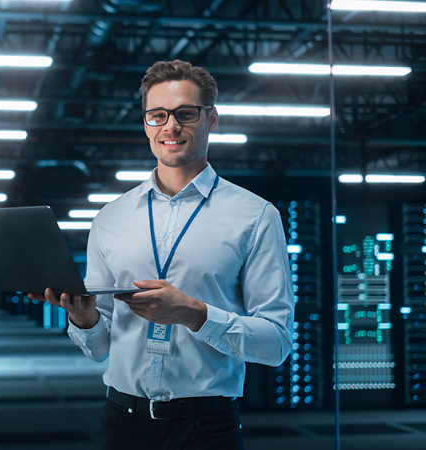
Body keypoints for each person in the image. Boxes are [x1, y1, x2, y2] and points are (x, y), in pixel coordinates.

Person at [28, 60, 295, 450]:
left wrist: (194, 314)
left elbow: (276, 343)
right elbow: (99, 347)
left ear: (212, 119)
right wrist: (84, 318)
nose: (170, 127)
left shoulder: (255, 216)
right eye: (157, 115)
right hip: (122, 423)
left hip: (207, 426)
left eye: (185, 114)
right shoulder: (110, 218)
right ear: (146, 124)